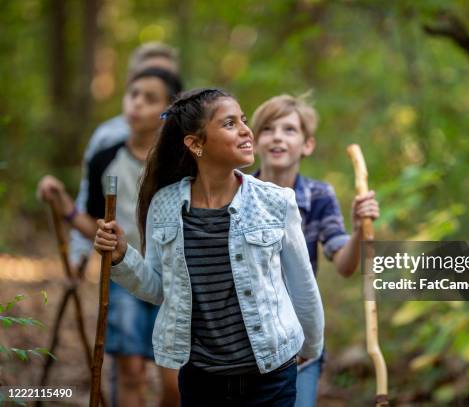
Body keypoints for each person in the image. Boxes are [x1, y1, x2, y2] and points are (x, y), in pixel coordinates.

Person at [93, 88, 325, 406]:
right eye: (230, 124)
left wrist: (310, 349)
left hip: (271, 373)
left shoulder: (275, 201)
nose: (246, 130)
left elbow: (302, 285)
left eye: (244, 120)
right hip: (202, 378)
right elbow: (160, 289)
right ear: (196, 143)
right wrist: (122, 257)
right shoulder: (166, 205)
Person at [37, 68, 183, 407]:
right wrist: (65, 207)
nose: (136, 104)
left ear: (169, 109)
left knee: (175, 383)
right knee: (129, 371)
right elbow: (94, 225)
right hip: (123, 275)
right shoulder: (105, 158)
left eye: (150, 98)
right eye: (133, 94)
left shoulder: (181, 163)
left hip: (176, 279)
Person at [250, 93, 380, 407]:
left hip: (300, 340)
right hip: (249, 338)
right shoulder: (238, 192)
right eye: (268, 129)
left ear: (307, 145)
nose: (278, 136)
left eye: (289, 130)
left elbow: (345, 265)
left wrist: (359, 227)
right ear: (254, 142)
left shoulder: (319, 195)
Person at [70, 42, 180, 265]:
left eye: (163, 76)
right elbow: (88, 201)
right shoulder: (106, 140)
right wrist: (79, 254)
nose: (139, 103)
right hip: (125, 264)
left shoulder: (185, 152)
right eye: (136, 91)